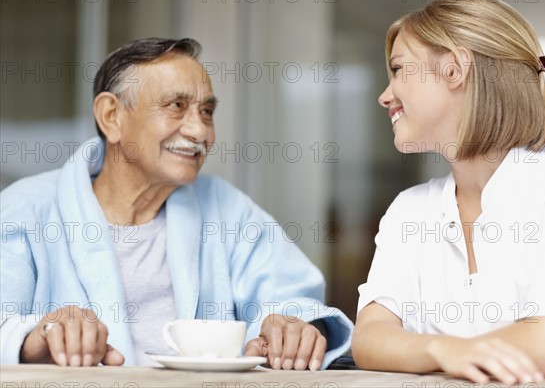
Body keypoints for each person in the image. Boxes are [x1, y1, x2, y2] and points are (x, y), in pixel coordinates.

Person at [0, 38, 352, 369]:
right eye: (176, 106)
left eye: (207, 111)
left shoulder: (229, 209)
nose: (201, 132)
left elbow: (290, 297)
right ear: (111, 116)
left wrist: (291, 326)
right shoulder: (24, 210)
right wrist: (34, 338)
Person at [352, 0, 545, 383]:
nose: (385, 96)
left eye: (399, 70)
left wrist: (420, 351)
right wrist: (444, 349)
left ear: (455, 69)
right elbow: (368, 339)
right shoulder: (409, 209)